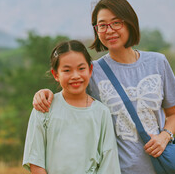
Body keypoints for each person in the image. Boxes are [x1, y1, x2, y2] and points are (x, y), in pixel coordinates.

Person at [33, 0, 175, 174]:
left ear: (130, 23)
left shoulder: (158, 62)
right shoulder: (93, 71)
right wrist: (44, 93)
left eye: (116, 23)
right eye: (102, 25)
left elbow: (174, 114)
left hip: (160, 167)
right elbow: (70, 97)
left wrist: (164, 137)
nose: (109, 30)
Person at [23, 40, 121, 174]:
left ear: (90, 70)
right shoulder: (44, 108)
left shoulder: (101, 113)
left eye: (81, 68)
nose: (75, 76)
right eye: (67, 70)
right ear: (56, 74)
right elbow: (36, 161)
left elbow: (109, 164)